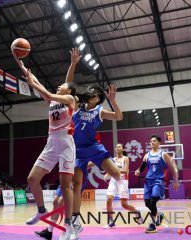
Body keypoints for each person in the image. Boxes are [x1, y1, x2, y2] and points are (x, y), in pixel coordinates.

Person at [14, 55, 77, 240]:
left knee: (65, 187)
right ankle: (41, 210)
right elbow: (35, 80)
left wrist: (72, 64)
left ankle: (68, 226)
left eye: (62, 86)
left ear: (69, 91)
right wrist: (20, 63)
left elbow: (49, 91)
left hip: (66, 143)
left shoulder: (70, 99)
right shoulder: (53, 102)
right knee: (32, 179)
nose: (59, 86)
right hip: (51, 142)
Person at [66, 48, 122, 238]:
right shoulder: (77, 106)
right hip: (77, 150)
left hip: (94, 149)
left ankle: (123, 198)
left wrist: (113, 101)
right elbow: (68, 84)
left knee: (116, 173)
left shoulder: (99, 110)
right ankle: (75, 222)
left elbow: (119, 116)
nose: (89, 94)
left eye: (93, 93)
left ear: (97, 98)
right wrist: (73, 63)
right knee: (76, 184)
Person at [135, 134, 179, 233]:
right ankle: (159, 215)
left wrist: (175, 180)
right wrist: (138, 171)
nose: (152, 142)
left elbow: (172, 168)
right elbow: (142, 167)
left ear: (159, 142)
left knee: (153, 201)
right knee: (147, 203)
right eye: (151, 141)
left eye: (154, 141)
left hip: (159, 180)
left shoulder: (163, 154)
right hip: (148, 181)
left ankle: (153, 224)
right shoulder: (147, 155)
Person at [35, 164, 91, 240]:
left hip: (78, 176)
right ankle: (49, 231)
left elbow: (94, 160)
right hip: (66, 176)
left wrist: (79, 165)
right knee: (56, 202)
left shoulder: (86, 152)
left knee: (62, 201)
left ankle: (72, 227)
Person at [103, 143, 143, 229]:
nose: (117, 148)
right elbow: (110, 169)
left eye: (119, 147)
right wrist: (107, 174)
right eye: (116, 147)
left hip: (123, 181)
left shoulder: (126, 158)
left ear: (123, 149)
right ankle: (111, 221)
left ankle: (136, 212)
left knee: (124, 204)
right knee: (108, 199)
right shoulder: (112, 159)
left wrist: (114, 171)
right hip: (113, 180)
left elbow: (125, 171)